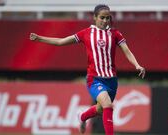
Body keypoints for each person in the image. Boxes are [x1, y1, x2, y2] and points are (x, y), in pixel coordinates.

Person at [30, 4, 145, 135]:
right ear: (95, 17)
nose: (105, 21)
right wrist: (40, 38)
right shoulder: (86, 33)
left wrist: (137, 65)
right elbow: (60, 42)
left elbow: (127, 52)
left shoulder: (115, 34)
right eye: (102, 17)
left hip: (112, 81)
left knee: (101, 109)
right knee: (108, 104)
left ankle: (82, 116)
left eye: (107, 18)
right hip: (95, 79)